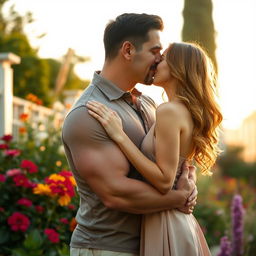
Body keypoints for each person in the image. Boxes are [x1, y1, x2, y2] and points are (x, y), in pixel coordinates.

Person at [62, 13, 197, 256]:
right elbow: (116, 193)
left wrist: (187, 182)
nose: (159, 60)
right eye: (155, 51)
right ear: (127, 51)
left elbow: (164, 164)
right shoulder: (88, 113)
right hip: (107, 248)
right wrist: (179, 198)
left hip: (153, 241)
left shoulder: (147, 104)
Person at [86, 41, 223, 255]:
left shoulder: (169, 111)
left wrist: (119, 135)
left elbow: (164, 180)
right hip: (172, 219)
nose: (157, 62)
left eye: (164, 57)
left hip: (167, 223)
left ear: (179, 69)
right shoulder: (180, 111)